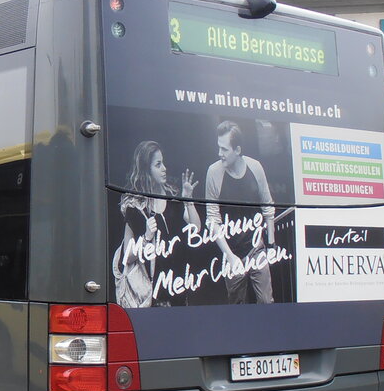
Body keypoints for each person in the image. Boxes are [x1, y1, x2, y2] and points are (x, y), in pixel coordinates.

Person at [114, 140, 201, 308]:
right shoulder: (136, 206)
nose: (164, 168)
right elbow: (127, 256)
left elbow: (195, 228)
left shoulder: (172, 195)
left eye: (163, 163)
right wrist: (146, 237)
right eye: (158, 164)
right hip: (151, 292)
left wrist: (188, 200)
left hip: (178, 285)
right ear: (147, 169)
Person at [205, 121, 277, 304]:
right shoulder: (213, 172)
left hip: (256, 247)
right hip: (232, 250)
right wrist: (229, 256)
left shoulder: (255, 167)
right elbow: (212, 219)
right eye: (218, 148)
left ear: (237, 150)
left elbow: (267, 206)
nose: (219, 154)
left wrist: (270, 244)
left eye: (224, 149)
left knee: (267, 302)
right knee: (237, 306)